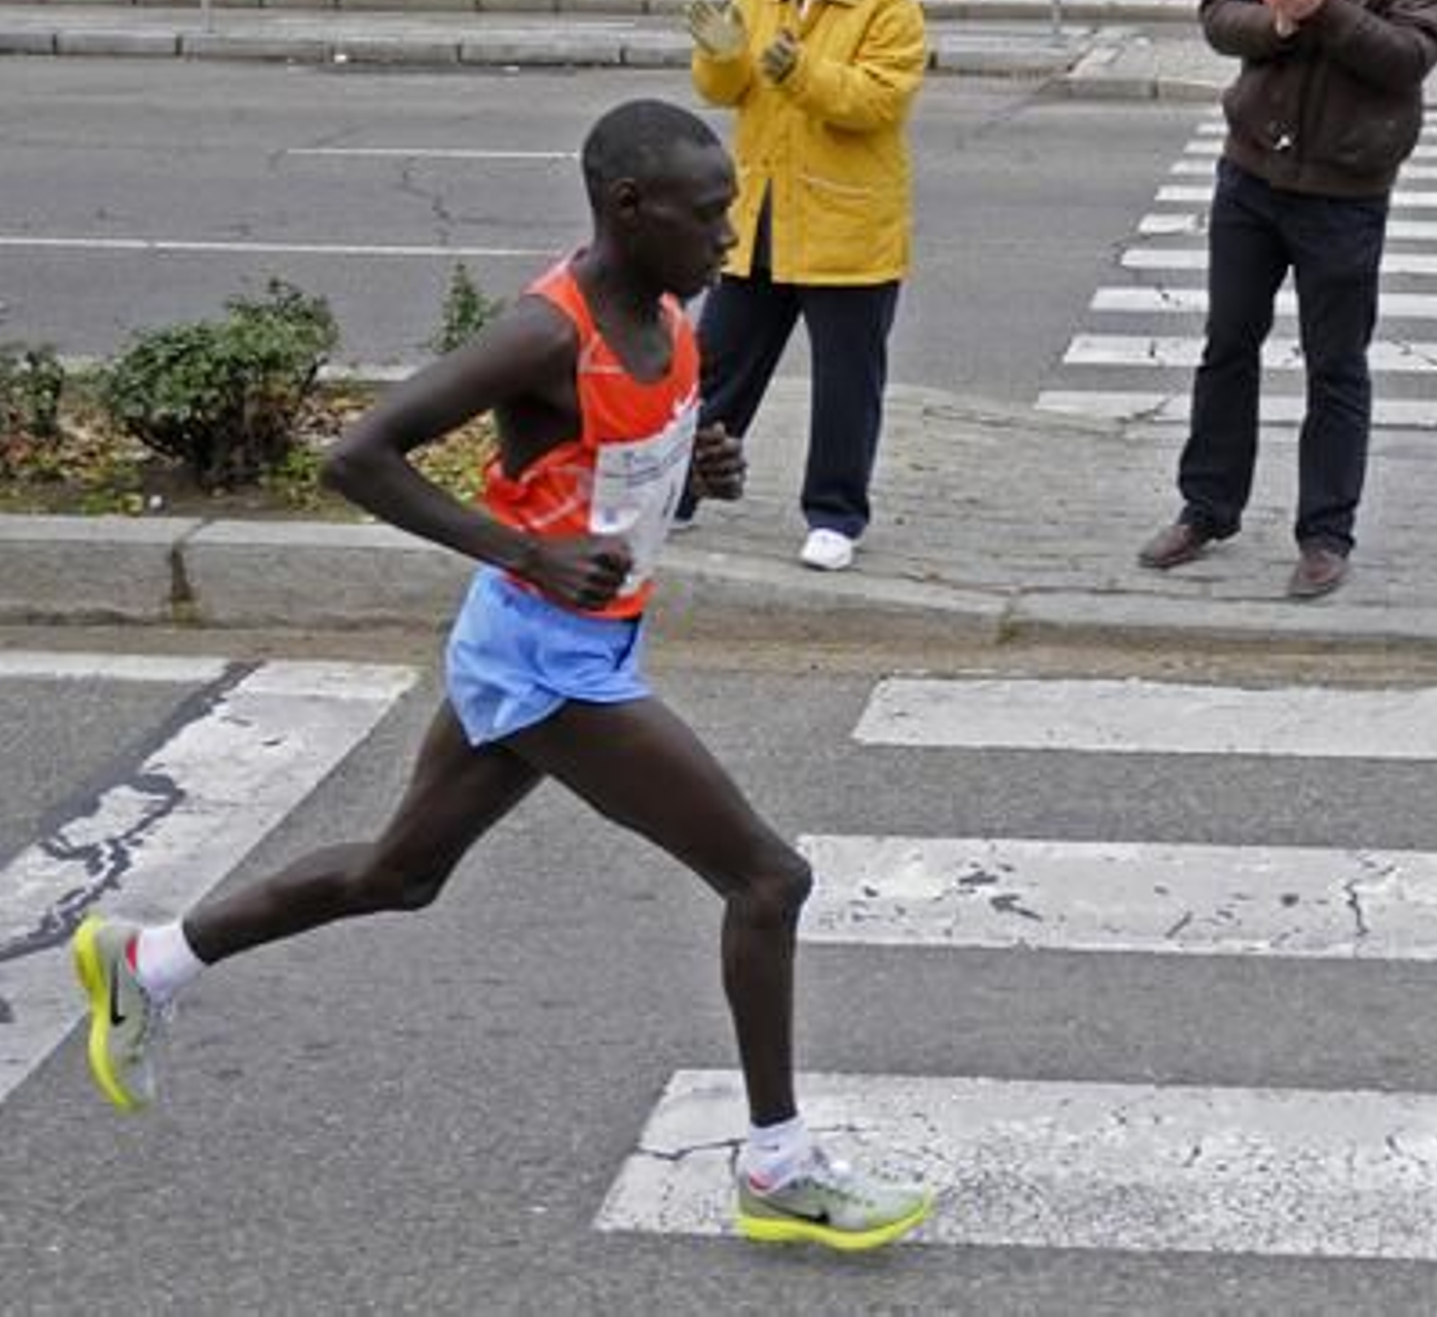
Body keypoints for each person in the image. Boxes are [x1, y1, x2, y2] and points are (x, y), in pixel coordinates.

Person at [69, 99, 933, 1254]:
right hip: (547, 659)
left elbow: (611, 472)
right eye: (710, 212)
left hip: (556, 637)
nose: (733, 233)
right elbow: (354, 456)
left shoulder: (674, 309)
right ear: (629, 209)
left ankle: (151, 959)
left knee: (400, 872)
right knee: (768, 880)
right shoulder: (544, 331)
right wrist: (524, 550)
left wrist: (695, 470)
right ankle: (775, 1164)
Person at [1136, 0, 1437, 600]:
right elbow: (1217, 14)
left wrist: (1324, 12)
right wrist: (1277, 22)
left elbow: (1411, 54)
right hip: (1251, 169)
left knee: (1336, 366)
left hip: (1346, 185)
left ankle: (1325, 534)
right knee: (1226, 347)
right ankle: (1206, 508)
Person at [679, 0, 926, 574]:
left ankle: (835, 515)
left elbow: (878, 102)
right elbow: (723, 91)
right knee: (714, 369)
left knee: (848, 384)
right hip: (759, 219)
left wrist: (802, 73)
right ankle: (681, 494)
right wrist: (720, 54)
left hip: (849, 229)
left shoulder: (889, 4)